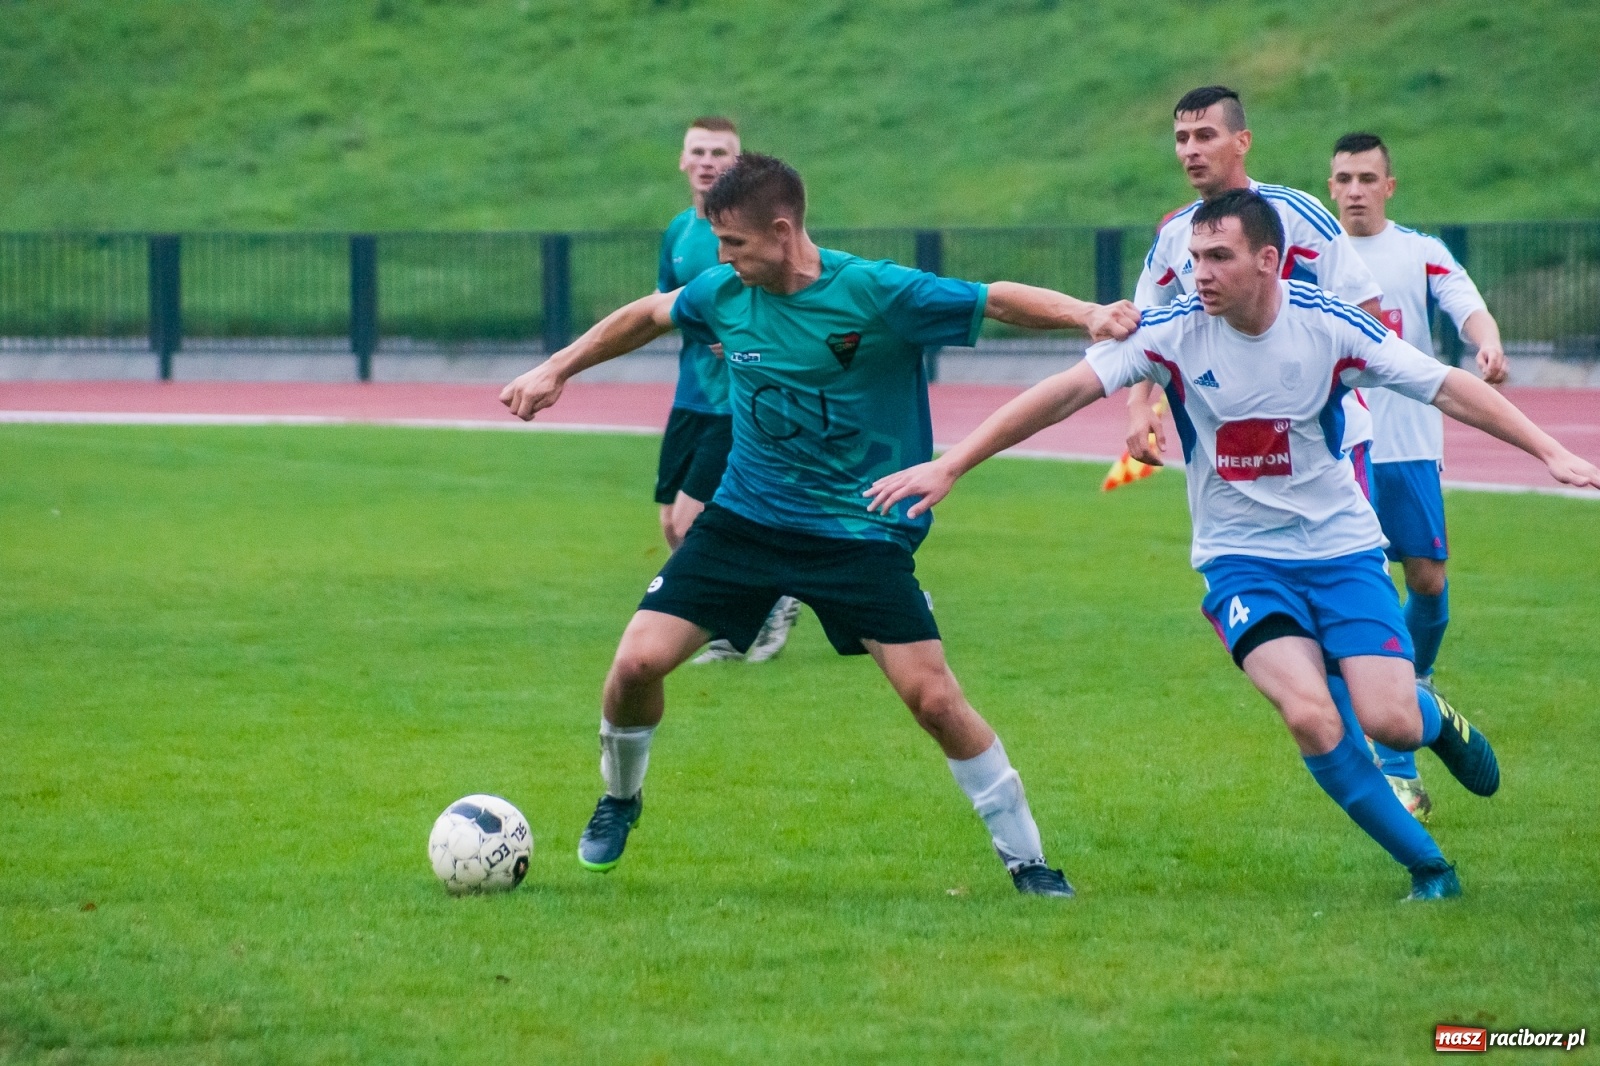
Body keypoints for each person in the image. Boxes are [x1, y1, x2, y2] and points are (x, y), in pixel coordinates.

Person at [865, 191, 1600, 901]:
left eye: (1218, 257)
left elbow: (1446, 387)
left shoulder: (1329, 326)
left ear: (1268, 261)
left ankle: (1436, 718)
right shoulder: (1173, 331)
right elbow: (1061, 392)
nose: (1199, 273)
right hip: (1240, 560)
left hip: (1340, 549)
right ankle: (1430, 870)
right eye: (1194, 257)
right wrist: (953, 460)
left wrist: (1547, 452)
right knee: (1311, 714)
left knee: (1391, 721)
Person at [502, 153, 1142, 896]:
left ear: (782, 231)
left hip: (857, 531)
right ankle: (619, 800)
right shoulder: (723, 292)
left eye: (734, 243)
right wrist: (558, 367)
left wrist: (1089, 315)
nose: (721, 259)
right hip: (745, 521)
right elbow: (646, 315)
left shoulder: (872, 292)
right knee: (634, 667)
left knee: (934, 700)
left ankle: (1029, 862)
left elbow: (994, 299)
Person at [1328, 131, 1510, 821]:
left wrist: (1485, 342)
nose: (1353, 190)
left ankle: (1415, 679)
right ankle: (1398, 759)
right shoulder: (1315, 252)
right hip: (1345, 448)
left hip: (1409, 446)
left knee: (1428, 582)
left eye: (1366, 178)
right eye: (1342, 178)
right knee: (1369, 595)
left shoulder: (1420, 252)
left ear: (1389, 185)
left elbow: (1466, 306)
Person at [1127, 86, 1383, 474]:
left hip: (1327, 446)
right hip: (1234, 446)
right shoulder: (1173, 235)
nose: (1190, 150)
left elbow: (1367, 311)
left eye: (1205, 136)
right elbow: (1143, 326)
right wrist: (1138, 405)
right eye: (1182, 139)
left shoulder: (1296, 214)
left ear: (1242, 141)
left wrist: (1309, 384)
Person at [655, 116, 800, 664]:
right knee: (671, 524)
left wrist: (743, 334)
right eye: (699, 150)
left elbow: (784, 299)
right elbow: (662, 305)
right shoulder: (678, 232)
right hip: (689, 396)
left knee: (695, 520)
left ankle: (741, 620)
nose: (708, 160)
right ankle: (764, 597)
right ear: (683, 160)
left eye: (721, 152)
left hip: (734, 402)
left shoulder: (764, 233)